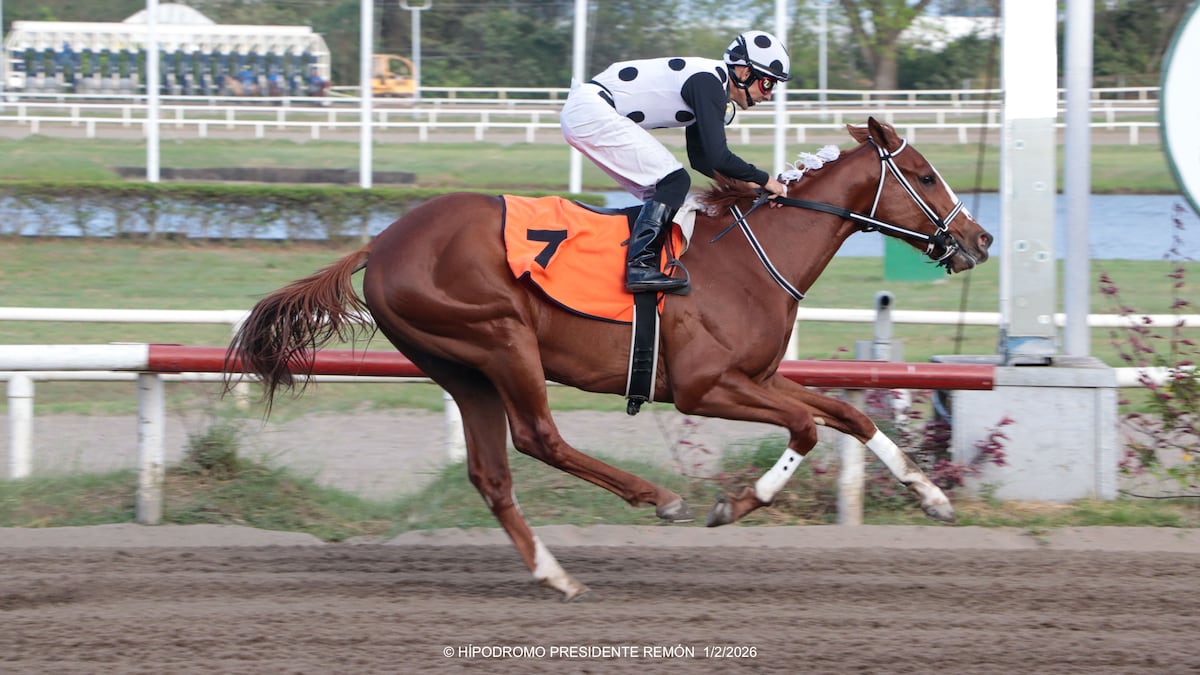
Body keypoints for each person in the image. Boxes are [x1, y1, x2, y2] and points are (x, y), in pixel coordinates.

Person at [561, 30, 791, 294]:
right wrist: (766, 179)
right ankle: (640, 268)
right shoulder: (709, 83)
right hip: (591, 110)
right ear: (743, 71)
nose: (769, 95)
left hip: (587, 111)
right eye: (768, 84)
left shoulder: (710, 82)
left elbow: (702, 159)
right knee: (673, 181)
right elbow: (719, 157)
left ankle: (638, 260)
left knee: (664, 194)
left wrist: (748, 188)